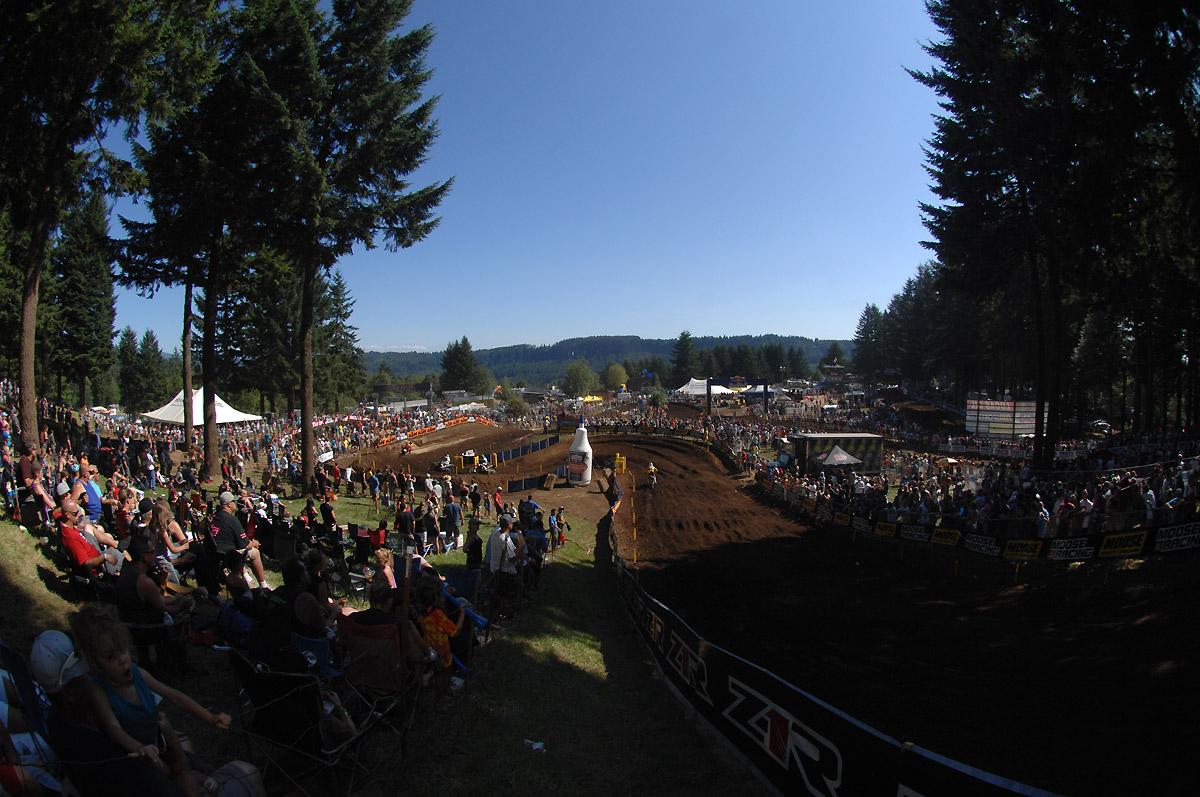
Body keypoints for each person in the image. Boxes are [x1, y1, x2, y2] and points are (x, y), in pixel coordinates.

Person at [71, 605, 230, 795]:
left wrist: (210, 717)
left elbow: (176, 696)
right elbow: (112, 727)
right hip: (140, 758)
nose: (122, 659)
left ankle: (195, 777)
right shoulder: (100, 691)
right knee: (169, 775)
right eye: (111, 656)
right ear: (96, 663)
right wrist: (140, 748)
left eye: (123, 649)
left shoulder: (139, 674)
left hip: (158, 741)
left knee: (184, 772)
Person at [210, 491, 269, 590]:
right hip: (227, 555)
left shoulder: (214, 516)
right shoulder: (232, 520)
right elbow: (244, 544)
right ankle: (263, 585)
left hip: (214, 551)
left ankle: (245, 575)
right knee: (255, 553)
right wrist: (254, 543)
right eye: (234, 501)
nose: (235, 503)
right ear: (229, 504)